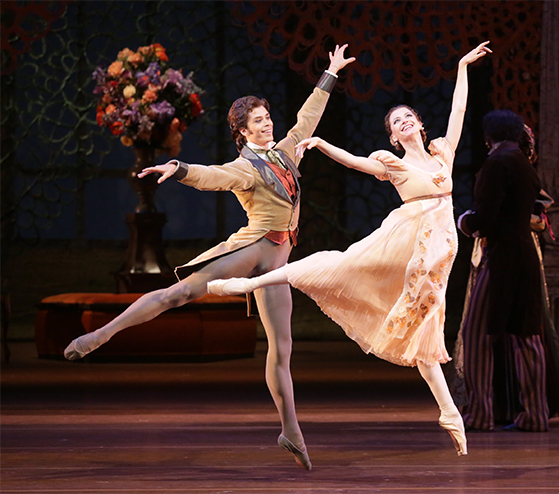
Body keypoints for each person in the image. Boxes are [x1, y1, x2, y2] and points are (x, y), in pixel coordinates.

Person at [64, 44, 356, 470]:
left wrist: (329, 73)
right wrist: (178, 168)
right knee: (177, 295)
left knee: (282, 349)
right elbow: (212, 177)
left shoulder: (289, 150)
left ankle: (290, 431)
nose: (268, 124)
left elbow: (309, 115)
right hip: (252, 250)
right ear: (243, 133)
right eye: (258, 121)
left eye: (268, 117)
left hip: (279, 264)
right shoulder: (245, 167)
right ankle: (101, 335)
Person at [207, 41, 493, 457]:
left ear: (419, 126)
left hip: (438, 256)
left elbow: (460, 111)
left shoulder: (441, 154)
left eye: (409, 117)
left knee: (424, 334)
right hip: (405, 244)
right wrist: (321, 145)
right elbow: (356, 161)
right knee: (333, 266)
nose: (406, 122)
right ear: (393, 137)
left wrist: (463, 66)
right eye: (398, 122)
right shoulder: (394, 165)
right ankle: (241, 286)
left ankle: (449, 412)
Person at [453, 123, 559, 430]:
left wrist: (465, 222)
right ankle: (535, 414)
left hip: (502, 257)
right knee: (526, 334)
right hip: (523, 254)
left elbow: (486, 215)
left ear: (490, 136)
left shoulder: (498, 162)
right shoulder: (523, 163)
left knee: (477, 333)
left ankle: (481, 413)